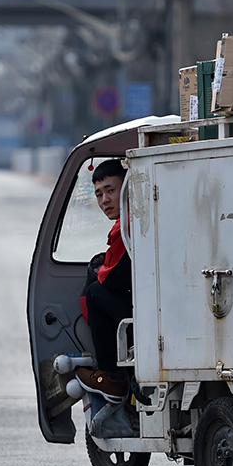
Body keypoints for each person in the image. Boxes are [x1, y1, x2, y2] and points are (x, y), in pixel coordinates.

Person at [74, 159, 136, 433]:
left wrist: (98, 271)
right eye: (99, 194)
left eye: (111, 190)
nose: (104, 200)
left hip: (142, 317)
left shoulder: (128, 223)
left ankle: (112, 376)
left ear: (126, 188)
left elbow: (109, 276)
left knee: (95, 292)